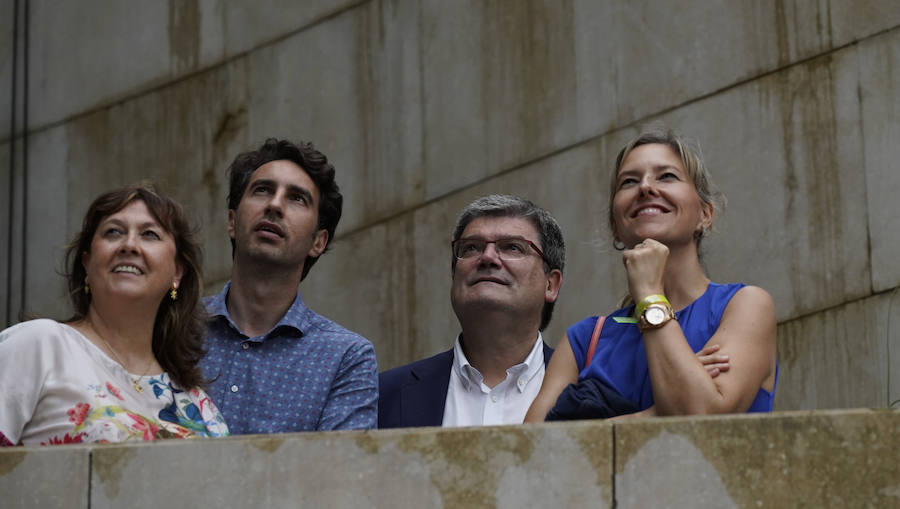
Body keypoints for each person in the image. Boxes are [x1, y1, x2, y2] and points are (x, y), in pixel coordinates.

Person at [525, 127, 777, 422]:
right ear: (615, 226)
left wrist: (649, 295)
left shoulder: (745, 306)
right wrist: (661, 409)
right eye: (629, 181)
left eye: (666, 176)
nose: (645, 187)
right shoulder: (583, 340)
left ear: (704, 215)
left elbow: (701, 419)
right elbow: (531, 452)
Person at [0, 185, 229, 446]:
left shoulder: (199, 405)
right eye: (114, 232)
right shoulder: (40, 345)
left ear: (177, 272)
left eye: (150, 234)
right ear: (87, 263)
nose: (129, 245)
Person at [201, 138, 377, 433]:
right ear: (232, 221)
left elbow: (340, 473)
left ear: (318, 242)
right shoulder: (173, 325)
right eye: (262, 190)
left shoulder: (345, 358)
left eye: (297, 198)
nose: (274, 205)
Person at [379, 195, 564, 428]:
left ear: (551, 284)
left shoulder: (586, 389)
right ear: (454, 276)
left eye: (512, 247)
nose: (487, 257)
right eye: (471, 248)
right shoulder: (385, 395)